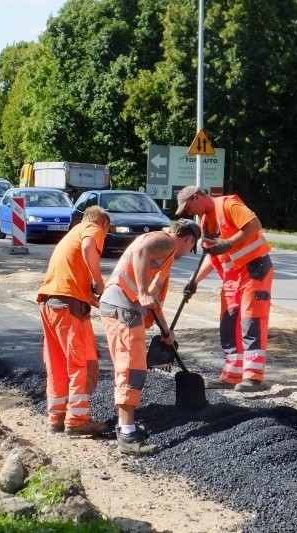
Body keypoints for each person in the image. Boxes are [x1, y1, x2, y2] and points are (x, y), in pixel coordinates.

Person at [99, 219, 201, 455]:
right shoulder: (164, 241)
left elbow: (152, 301)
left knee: (131, 367)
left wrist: (166, 331)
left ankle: (127, 425)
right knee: (131, 369)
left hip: (123, 307)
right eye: (190, 247)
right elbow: (142, 253)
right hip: (123, 308)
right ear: (188, 240)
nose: (187, 253)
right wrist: (143, 292)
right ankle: (127, 435)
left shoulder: (162, 253)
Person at [176, 186, 274, 393]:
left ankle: (254, 378)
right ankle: (232, 375)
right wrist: (194, 281)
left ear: (198, 197)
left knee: (251, 322)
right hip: (231, 278)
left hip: (254, 270)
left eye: (189, 206)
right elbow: (213, 257)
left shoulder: (228, 204)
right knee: (228, 324)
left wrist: (229, 243)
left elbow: (254, 225)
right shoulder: (205, 221)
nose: (189, 211)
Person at [36, 206, 111, 437]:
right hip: (69, 307)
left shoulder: (72, 234)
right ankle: (77, 420)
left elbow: (70, 279)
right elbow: (90, 247)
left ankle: (56, 417)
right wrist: (99, 283)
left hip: (49, 303)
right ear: (104, 225)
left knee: (57, 364)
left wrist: (94, 299)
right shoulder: (93, 228)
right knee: (81, 362)